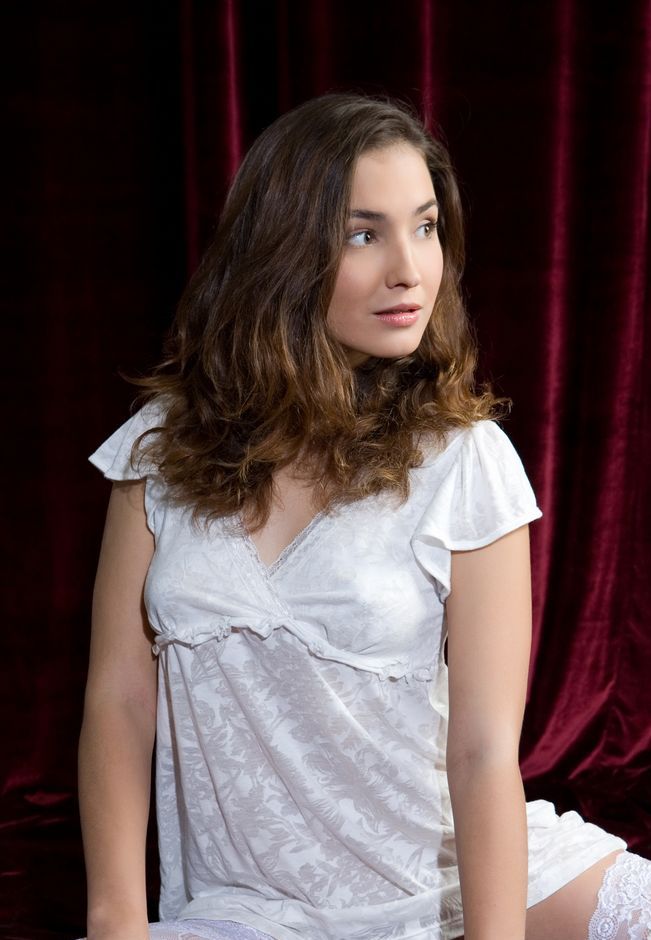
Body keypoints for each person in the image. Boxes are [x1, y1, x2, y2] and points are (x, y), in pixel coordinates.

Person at [79, 93, 650, 940]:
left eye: (424, 227)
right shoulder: (157, 451)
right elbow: (119, 701)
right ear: (280, 250)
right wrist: (115, 919)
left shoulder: (464, 458)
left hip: (460, 875)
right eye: (362, 234)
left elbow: (483, 750)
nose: (409, 270)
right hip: (251, 909)